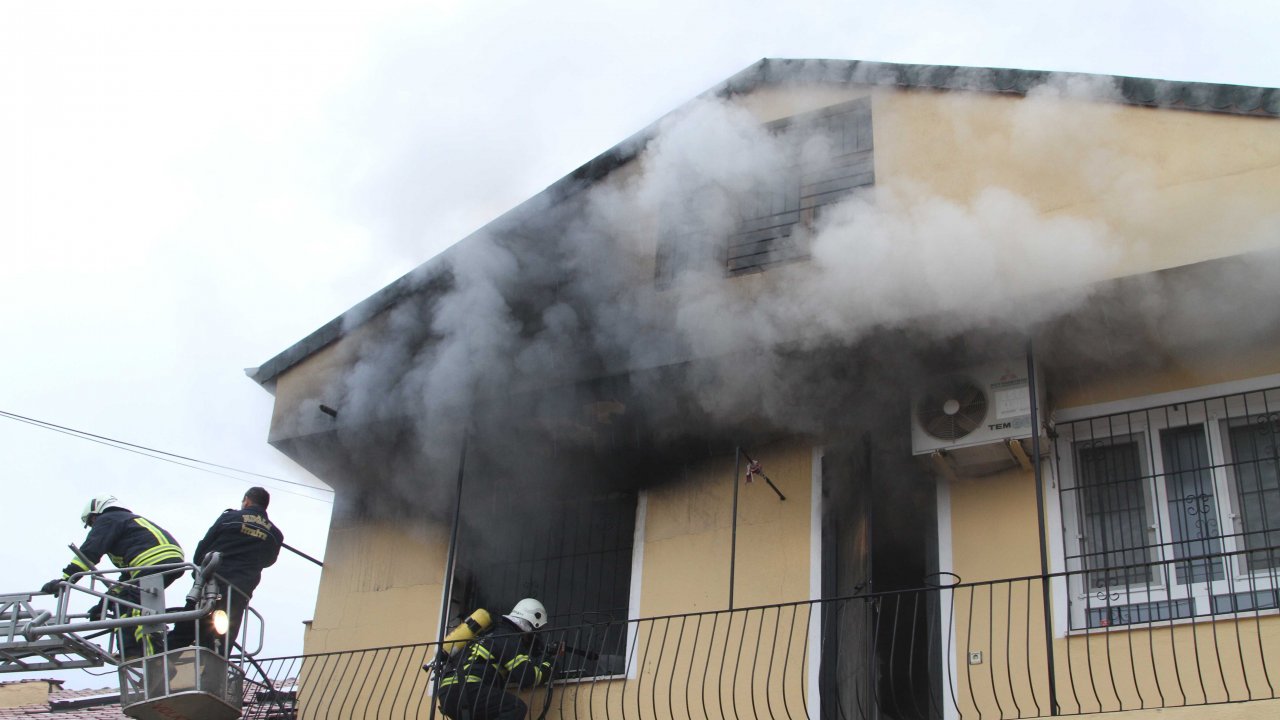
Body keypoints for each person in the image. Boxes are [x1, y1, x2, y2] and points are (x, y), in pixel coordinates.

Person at [42, 494, 185, 659]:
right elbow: (126, 581)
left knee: (132, 609)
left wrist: (65, 579)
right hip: (164, 562)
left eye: (91, 523)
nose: (92, 527)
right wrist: (103, 604)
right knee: (126, 600)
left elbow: (90, 551)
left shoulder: (108, 519)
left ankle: (149, 656)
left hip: (151, 562)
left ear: (96, 514)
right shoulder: (129, 523)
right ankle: (143, 652)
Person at [169, 486, 283, 654]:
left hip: (208, 588)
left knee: (184, 631)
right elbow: (269, 561)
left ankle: (159, 665)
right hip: (238, 595)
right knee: (221, 643)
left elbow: (201, 551)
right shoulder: (275, 534)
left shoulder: (230, 517)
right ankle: (212, 675)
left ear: (247, 500)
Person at [437, 598, 557, 720]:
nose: (530, 639)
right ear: (531, 624)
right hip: (468, 689)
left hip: (446, 693)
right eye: (533, 633)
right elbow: (529, 677)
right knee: (515, 708)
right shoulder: (508, 637)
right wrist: (550, 663)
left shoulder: (487, 634)